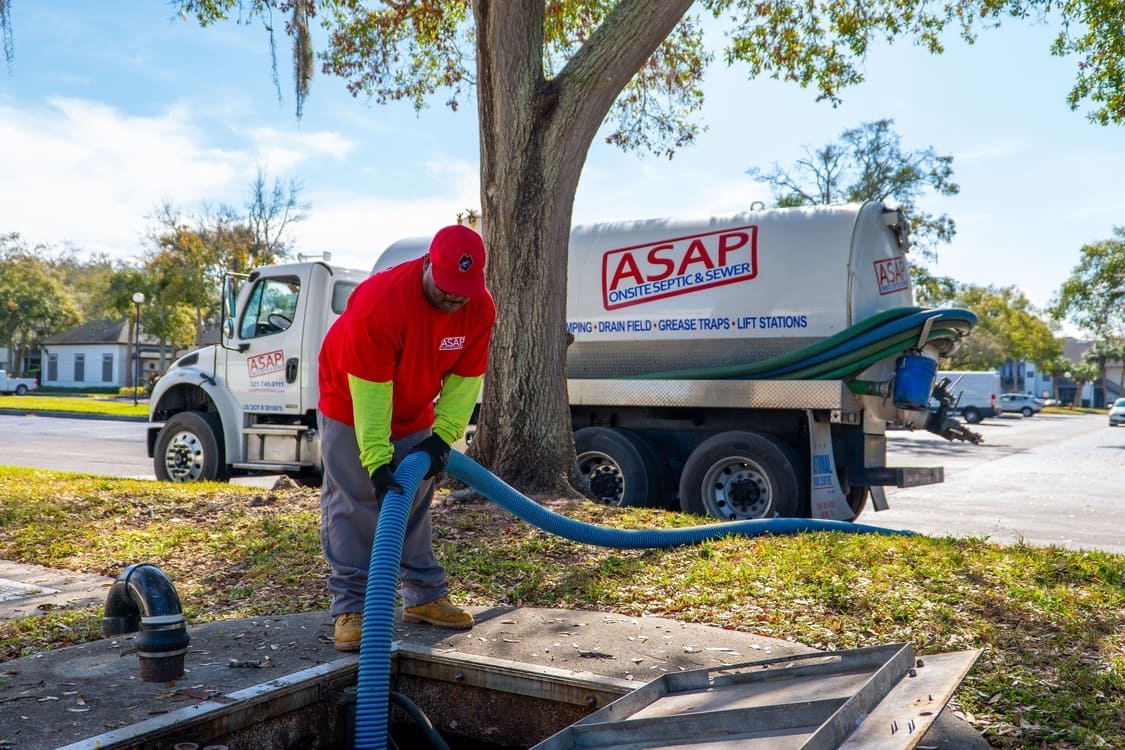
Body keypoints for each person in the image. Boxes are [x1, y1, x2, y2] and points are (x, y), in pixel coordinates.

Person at [317, 224, 496, 652]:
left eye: (463, 290)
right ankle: (352, 607)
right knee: (356, 498)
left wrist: (442, 438)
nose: (455, 297)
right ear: (428, 264)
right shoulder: (382, 302)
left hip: (415, 407)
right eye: (448, 287)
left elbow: (466, 380)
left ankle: (424, 596)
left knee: (414, 497)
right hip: (350, 400)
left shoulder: (477, 308)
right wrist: (377, 459)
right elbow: (371, 388)